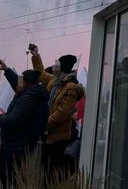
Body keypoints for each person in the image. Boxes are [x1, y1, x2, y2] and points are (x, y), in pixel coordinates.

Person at [29, 44, 85, 175]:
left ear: (62, 68)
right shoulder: (55, 80)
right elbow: (41, 74)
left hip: (58, 138)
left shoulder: (70, 87)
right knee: (46, 169)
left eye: (58, 64)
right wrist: (36, 55)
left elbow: (62, 113)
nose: (55, 67)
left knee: (51, 172)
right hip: (49, 134)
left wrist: (44, 124)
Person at [0, 59, 49, 185]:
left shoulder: (28, 99)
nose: (18, 83)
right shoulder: (31, 93)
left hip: (16, 146)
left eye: (21, 80)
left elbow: (13, 120)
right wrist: (7, 70)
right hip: (20, 144)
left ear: (26, 83)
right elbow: (17, 83)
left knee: (10, 180)